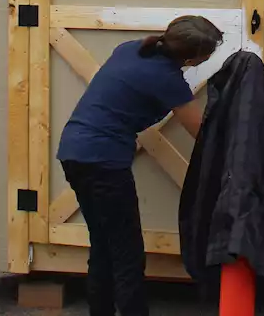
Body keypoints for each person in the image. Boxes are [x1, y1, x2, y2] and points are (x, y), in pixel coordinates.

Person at [57, 16, 224, 316]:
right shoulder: (166, 79)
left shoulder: (131, 49)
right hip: (103, 161)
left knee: (104, 245)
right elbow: (203, 133)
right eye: (208, 54)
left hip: (74, 151)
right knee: (127, 253)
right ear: (191, 57)